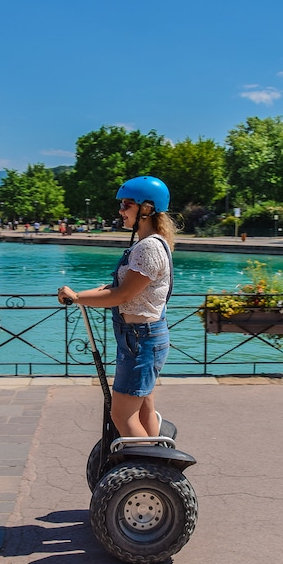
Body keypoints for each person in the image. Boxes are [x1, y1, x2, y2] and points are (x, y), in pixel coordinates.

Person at [57, 176, 175, 439]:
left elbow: (122, 295)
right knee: (144, 408)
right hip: (139, 338)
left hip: (141, 341)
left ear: (146, 208)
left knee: (121, 415)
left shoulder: (148, 249)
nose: (120, 211)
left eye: (126, 205)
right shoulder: (145, 245)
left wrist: (77, 298)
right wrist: (77, 295)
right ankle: (153, 461)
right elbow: (113, 288)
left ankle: (148, 475)